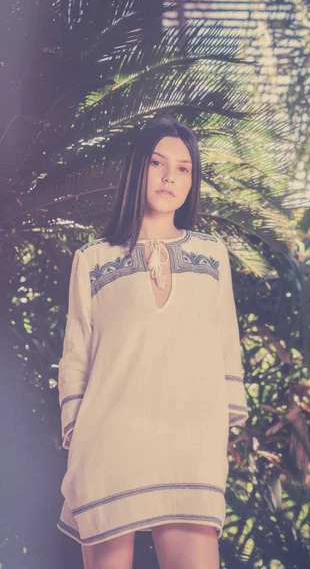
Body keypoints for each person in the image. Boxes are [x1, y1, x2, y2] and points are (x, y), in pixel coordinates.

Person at [56, 115, 249, 569]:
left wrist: (216, 431)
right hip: (110, 448)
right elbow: (76, 356)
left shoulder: (211, 255)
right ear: (137, 169)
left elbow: (226, 345)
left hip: (189, 450)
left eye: (184, 168)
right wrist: (75, 431)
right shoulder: (92, 260)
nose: (170, 176)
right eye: (159, 163)